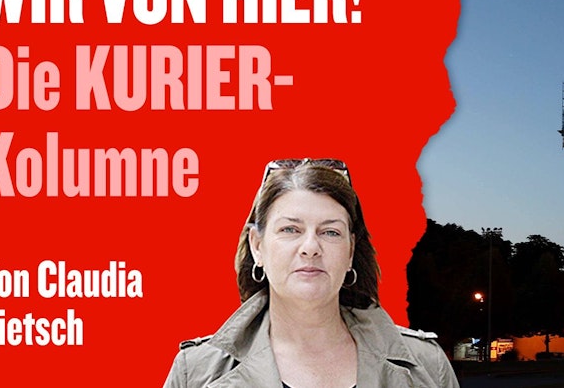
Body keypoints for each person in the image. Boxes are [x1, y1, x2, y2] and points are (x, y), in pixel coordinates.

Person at [164, 158, 458, 388]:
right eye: (290, 229)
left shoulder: (428, 366)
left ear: (350, 252)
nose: (310, 248)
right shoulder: (196, 371)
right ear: (257, 246)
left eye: (330, 232)